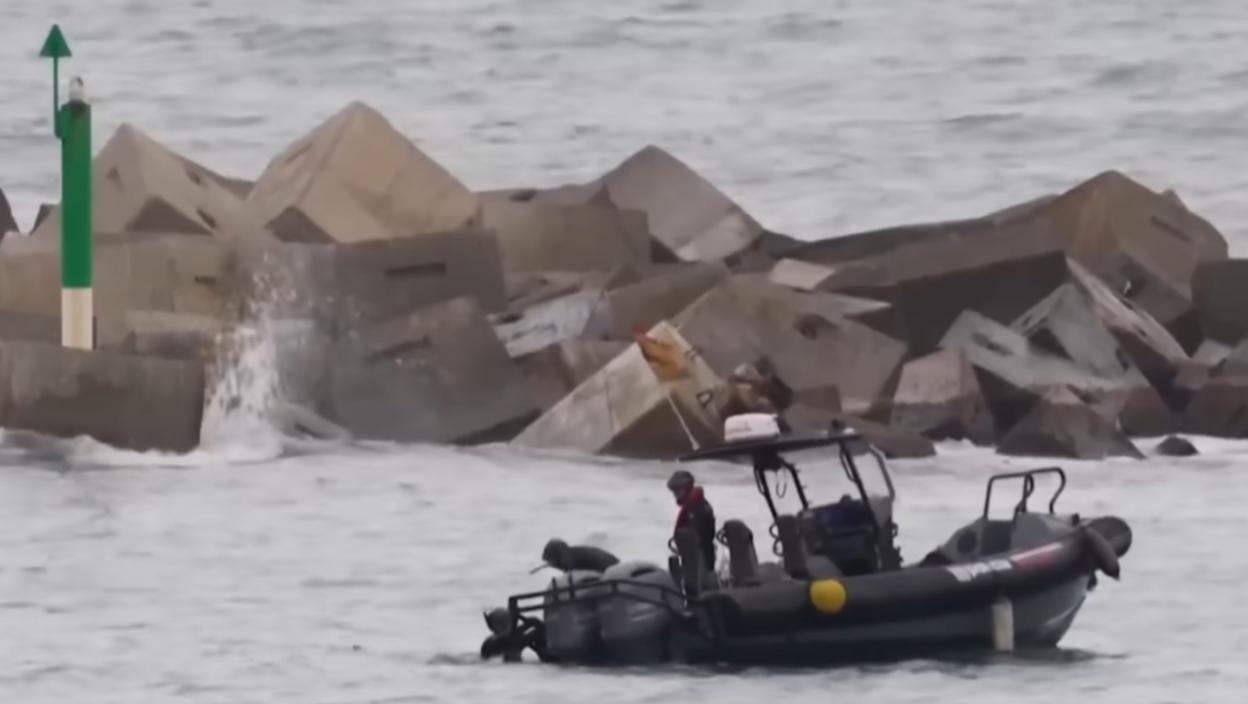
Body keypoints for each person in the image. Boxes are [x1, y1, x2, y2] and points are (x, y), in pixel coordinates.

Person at [667, 469, 716, 569]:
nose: (674, 494)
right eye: (673, 490)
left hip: (701, 562)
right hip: (694, 558)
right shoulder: (692, 505)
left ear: (686, 488)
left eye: (677, 490)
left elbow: (699, 538)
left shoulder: (697, 507)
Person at [534, 538, 620, 573]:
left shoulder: (567, 556)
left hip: (607, 565)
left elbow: (571, 575)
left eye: (550, 560)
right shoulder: (572, 552)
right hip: (610, 563)